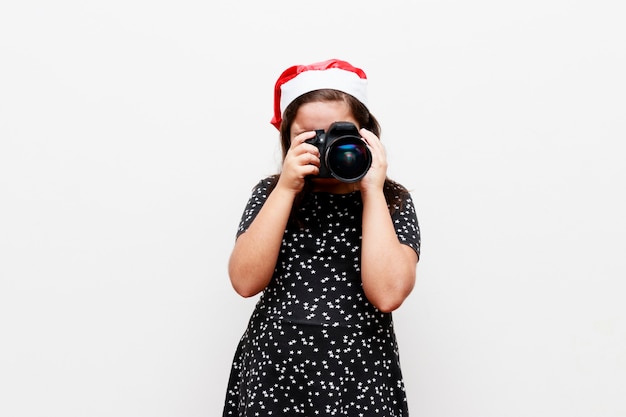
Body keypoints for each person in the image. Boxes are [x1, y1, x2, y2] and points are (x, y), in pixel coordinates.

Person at [222, 58, 421, 417]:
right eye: (312, 137)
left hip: (358, 376)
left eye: (338, 134)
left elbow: (388, 294)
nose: (328, 147)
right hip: (274, 376)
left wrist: (371, 189)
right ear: (287, 138)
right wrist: (286, 187)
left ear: (367, 135)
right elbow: (245, 282)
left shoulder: (391, 200)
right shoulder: (272, 194)